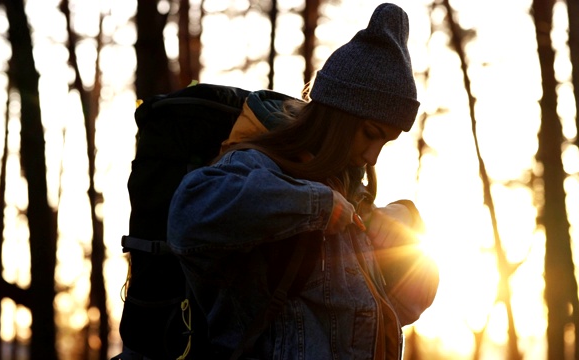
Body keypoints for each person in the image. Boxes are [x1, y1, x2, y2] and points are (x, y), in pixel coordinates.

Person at [167, 3, 439, 359]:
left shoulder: (350, 196)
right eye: (371, 134)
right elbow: (187, 213)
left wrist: (407, 233)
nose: (373, 156)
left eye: (384, 142)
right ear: (337, 117)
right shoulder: (254, 166)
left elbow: (405, 305)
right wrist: (314, 206)